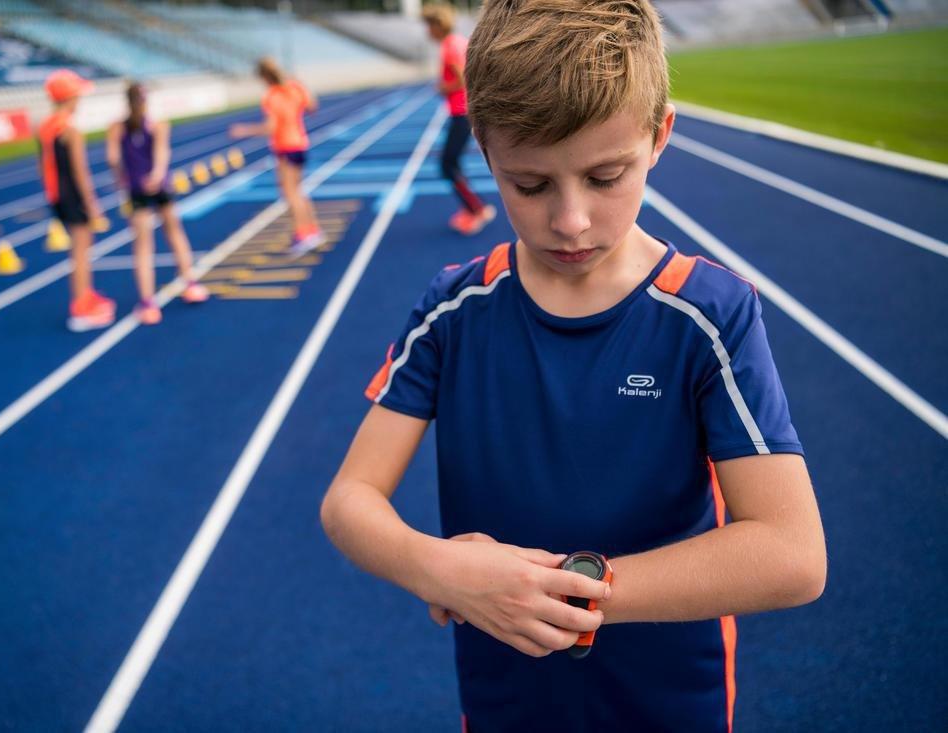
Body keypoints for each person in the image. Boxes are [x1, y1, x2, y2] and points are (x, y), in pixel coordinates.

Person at [320, 2, 827, 731]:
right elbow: (349, 499)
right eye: (529, 185)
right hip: (504, 700)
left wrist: (569, 590)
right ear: (487, 154)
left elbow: (793, 551)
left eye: (605, 176)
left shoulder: (709, 312)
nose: (571, 220)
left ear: (660, 136)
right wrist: (439, 568)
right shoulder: (453, 309)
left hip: (667, 704)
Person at [105, 82, 209, 326]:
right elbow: (162, 154)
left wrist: (122, 177)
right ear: (146, 101)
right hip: (160, 186)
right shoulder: (158, 125)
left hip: (136, 189)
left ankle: (148, 303)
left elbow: (112, 158)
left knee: (143, 246)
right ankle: (190, 284)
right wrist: (157, 175)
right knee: (175, 233)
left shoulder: (117, 128)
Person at [38, 69, 116, 332]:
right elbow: (81, 172)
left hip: (58, 196)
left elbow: (45, 167)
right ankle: (81, 308)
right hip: (73, 196)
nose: (80, 101)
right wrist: (93, 205)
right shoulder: (70, 131)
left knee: (79, 251)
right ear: (70, 98)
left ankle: (85, 297)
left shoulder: (46, 127)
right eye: (78, 96)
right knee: (81, 253)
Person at [229, 57, 324, 257]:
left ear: (263, 77)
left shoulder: (271, 96)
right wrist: (301, 86)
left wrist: (244, 130)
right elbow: (313, 107)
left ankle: (302, 235)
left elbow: (270, 127)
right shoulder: (294, 88)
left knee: (291, 194)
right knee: (298, 191)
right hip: (300, 143)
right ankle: (313, 230)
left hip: (285, 147)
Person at [421, 3, 496, 236]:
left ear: (436, 25)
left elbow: (463, 78)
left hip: (461, 112)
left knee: (447, 165)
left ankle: (476, 210)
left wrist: (443, 86)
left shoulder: (449, 46)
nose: (426, 32)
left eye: (428, 26)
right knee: (452, 164)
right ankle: (476, 207)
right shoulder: (458, 41)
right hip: (463, 111)